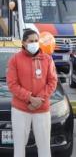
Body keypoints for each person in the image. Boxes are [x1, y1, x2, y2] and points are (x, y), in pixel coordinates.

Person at [6, 29, 57, 157]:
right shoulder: (15, 60)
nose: (34, 43)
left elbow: (52, 81)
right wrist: (29, 98)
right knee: (19, 147)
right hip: (21, 110)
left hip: (42, 108)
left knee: (44, 146)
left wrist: (39, 99)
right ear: (23, 42)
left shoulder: (47, 59)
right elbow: (12, 84)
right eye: (31, 41)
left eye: (36, 41)